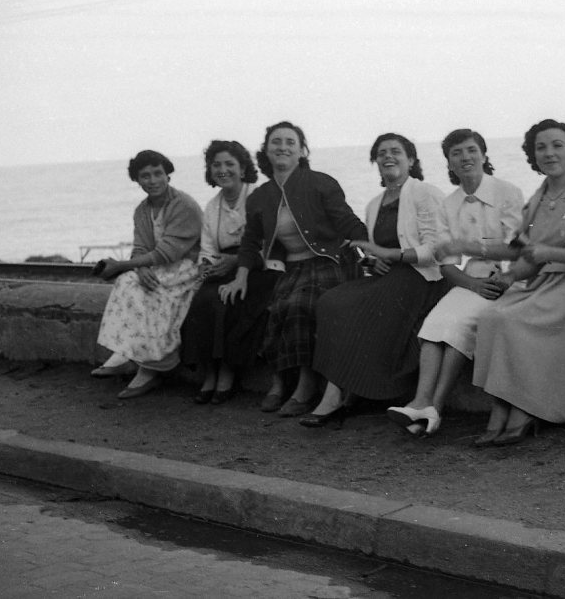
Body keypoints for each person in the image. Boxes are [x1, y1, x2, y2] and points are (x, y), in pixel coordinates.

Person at [469, 119, 565, 446]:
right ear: (533, 155)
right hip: (545, 285)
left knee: (512, 320)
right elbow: (529, 255)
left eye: (557, 146)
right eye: (541, 147)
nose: (549, 153)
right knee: (491, 316)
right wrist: (511, 275)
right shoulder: (538, 199)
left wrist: (549, 253)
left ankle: (523, 412)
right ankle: (501, 408)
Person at [218, 121, 367, 415]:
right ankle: (280, 383)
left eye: (290, 142)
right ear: (266, 150)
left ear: (302, 151)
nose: (283, 147)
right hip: (291, 267)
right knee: (274, 307)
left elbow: (349, 223)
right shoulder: (260, 196)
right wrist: (240, 277)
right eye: (276, 142)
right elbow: (250, 242)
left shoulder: (321, 183)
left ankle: (305, 386)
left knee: (299, 305)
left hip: (330, 261)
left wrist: (373, 252)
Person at [301, 133, 448, 427]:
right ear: (375, 162)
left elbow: (436, 248)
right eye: (381, 153)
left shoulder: (425, 193)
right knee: (331, 301)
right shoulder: (373, 204)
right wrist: (373, 260)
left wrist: (390, 255)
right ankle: (343, 389)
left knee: (357, 307)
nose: (388, 156)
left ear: (411, 159)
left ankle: (334, 397)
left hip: (420, 278)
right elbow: (373, 253)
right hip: (388, 277)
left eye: (396, 151)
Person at [385, 129, 524, 436]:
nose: (465, 158)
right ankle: (423, 403)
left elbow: (517, 250)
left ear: (484, 155)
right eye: (456, 153)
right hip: (470, 281)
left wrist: (482, 261)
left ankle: (433, 406)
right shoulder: (448, 204)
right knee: (435, 324)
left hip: (507, 280)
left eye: (471, 150)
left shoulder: (507, 192)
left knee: (457, 326)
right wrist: (472, 284)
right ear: (449, 163)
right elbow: (446, 264)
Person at [91, 150, 203, 398]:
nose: (152, 181)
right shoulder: (142, 210)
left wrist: (122, 264)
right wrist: (138, 267)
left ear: (167, 175)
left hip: (188, 266)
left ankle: (151, 368)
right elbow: (141, 247)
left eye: (157, 173)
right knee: (127, 282)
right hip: (159, 266)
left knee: (154, 291)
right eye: (145, 176)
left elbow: (168, 252)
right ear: (137, 180)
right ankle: (126, 353)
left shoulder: (184, 205)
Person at [180, 140, 278, 405]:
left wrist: (236, 262)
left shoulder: (259, 196)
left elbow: (271, 245)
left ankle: (227, 370)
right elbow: (208, 247)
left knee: (229, 300)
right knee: (202, 299)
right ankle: (209, 372)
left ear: (243, 168)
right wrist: (206, 265)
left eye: (229, 164)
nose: (222, 170)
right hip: (224, 265)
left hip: (259, 266)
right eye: (216, 165)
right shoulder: (213, 207)